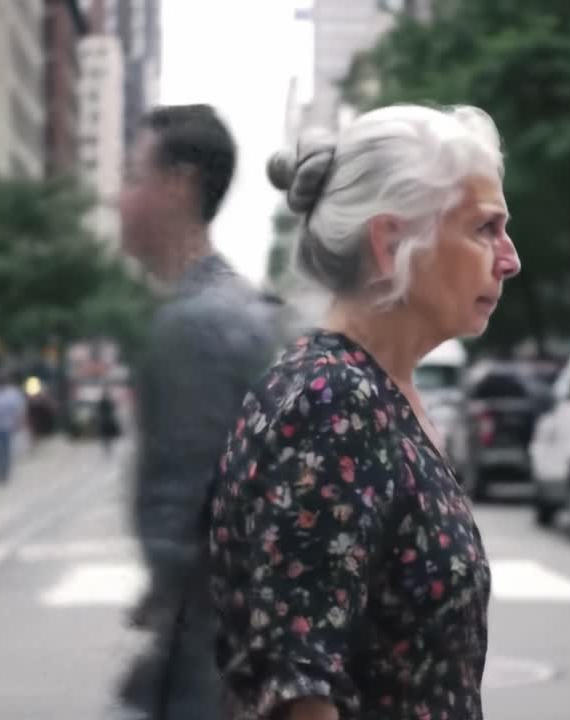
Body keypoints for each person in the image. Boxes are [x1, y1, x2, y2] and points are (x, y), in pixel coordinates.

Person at [207, 103, 519, 720]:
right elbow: (299, 693)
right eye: (485, 228)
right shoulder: (330, 402)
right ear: (390, 241)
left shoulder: (380, 393)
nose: (509, 258)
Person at [116, 104, 286, 720]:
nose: (119, 198)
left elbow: (190, 528)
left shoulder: (196, 325)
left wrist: (168, 594)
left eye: (133, 176)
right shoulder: (237, 307)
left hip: (206, 670)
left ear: (178, 185)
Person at [0, 371, 26, 484]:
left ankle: (4, 474)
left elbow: (19, 409)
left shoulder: (13, 393)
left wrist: (18, 423)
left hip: (8, 427)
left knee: (6, 452)